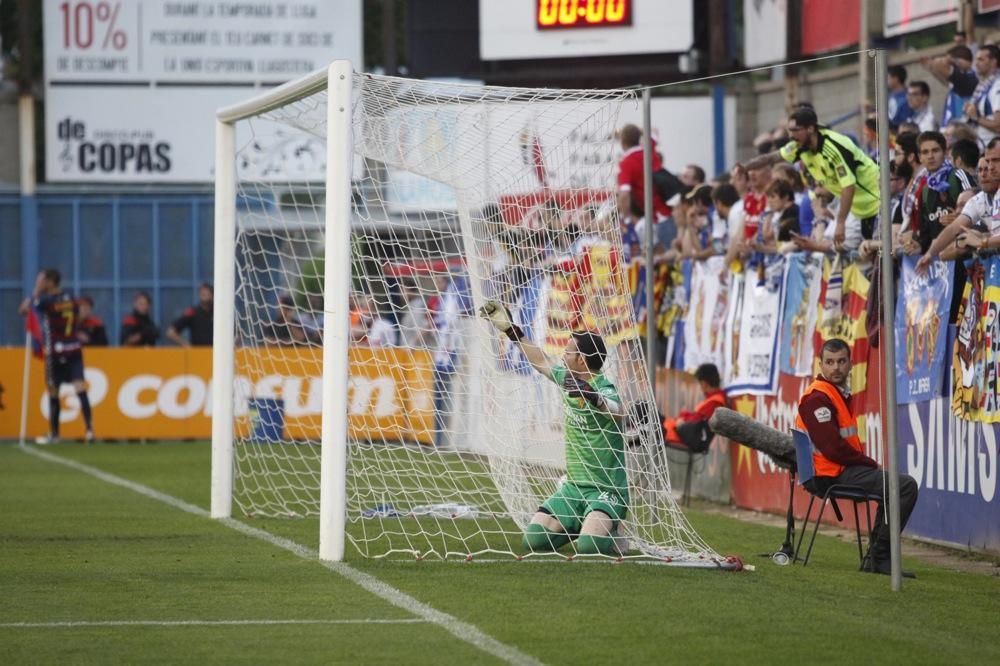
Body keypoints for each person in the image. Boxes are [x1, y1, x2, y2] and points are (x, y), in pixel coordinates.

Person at [479, 300, 626, 556]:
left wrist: (595, 398)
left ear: (581, 359)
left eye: (567, 352)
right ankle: (584, 524)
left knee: (589, 548)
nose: (562, 356)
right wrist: (512, 331)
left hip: (606, 489)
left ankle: (609, 530)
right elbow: (540, 360)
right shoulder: (568, 378)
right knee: (534, 541)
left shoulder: (603, 387)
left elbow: (618, 411)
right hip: (573, 487)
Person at [795, 338, 919, 578]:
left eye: (841, 361)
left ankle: (876, 557)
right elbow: (832, 448)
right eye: (829, 362)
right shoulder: (817, 398)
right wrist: (869, 463)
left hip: (836, 470)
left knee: (894, 487)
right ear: (820, 365)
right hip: (830, 474)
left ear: (851, 364)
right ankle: (879, 557)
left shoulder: (834, 395)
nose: (836, 368)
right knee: (904, 487)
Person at [746, 106, 881, 248]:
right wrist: (746, 166)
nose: (791, 136)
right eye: (789, 131)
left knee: (883, 259)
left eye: (795, 130)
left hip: (878, 201)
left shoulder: (833, 147)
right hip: (859, 210)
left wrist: (840, 222)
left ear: (810, 129)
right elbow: (772, 157)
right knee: (871, 258)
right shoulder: (799, 147)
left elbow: (848, 186)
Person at [17, 269, 95, 444]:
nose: (39, 282)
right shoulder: (70, 298)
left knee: (54, 391)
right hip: (74, 348)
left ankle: (55, 434)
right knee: (80, 387)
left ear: (50, 282)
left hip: (55, 351)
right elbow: (80, 314)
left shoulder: (45, 301)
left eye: (41, 280)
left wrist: (35, 292)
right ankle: (90, 430)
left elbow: (23, 310)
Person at [616, 123, 674, 248]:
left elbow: (624, 194)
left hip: (656, 218)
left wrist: (625, 219)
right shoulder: (649, 149)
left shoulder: (626, 162)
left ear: (622, 141)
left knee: (664, 261)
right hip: (667, 212)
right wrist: (637, 131)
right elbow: (654, 130)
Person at [662, 364, 726, 448]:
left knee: (647, 412)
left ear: (704, 383)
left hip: (679, 434)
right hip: (679, 431)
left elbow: (698, 421)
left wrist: (683, 420)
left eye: (700, 383)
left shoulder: (715, 402)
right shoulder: (714, 399)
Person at [964, 44, 1000, 147]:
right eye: (976, 60)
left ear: (993, 62)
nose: (976, 64)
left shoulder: (997, 85)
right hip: (985, 146)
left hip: (994, 150)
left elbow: (999, 125)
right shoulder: (984, 85)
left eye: (981, 60)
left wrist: (976, 117)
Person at [165, 282, 213, 347]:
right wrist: (187, 345)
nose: (205, 295)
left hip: (218, 353)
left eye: (208, 293)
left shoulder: (220, 313)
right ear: (199, 295)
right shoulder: (193, 312)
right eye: (203, 293)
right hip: (197, 354)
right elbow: (170, 332)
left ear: (212, 295)